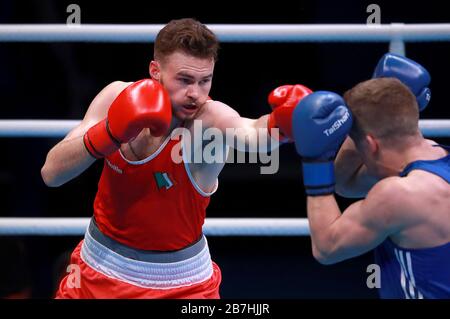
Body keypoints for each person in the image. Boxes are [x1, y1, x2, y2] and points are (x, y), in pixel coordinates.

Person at [41, 18, 312, 299]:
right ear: (155, 71)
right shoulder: (115, 96)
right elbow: (52, 173)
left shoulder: (208, 119)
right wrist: (108, 133)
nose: (195, 93)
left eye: (204, 81)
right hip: (98, 267)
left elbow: (251, 133)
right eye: (184, 80)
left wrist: (281, 126)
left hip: (181, 285)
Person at [291, 54, 450, 299]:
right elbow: (347, 183)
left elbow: (327, 247)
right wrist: (372, 107)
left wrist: (315, 162)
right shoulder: (434, 161)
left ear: (370, 144)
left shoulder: (399, 195)